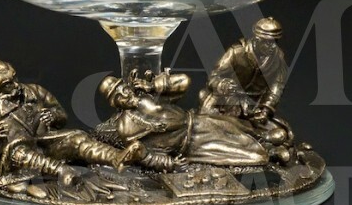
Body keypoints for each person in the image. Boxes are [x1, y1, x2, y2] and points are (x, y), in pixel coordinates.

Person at [0, 60, 135, 186]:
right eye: (8, 84)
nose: (16, 85)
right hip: (19, 159)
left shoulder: (35, 91)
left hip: (46, 144)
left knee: (77, 137)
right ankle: (62, 171)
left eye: (14, 78)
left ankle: (117, 157)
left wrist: (54, 115)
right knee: (19, 152)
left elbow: (61, 115)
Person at [98, 71, 268, 169]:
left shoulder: (147, 94)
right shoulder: (126, 128)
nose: (126, 95)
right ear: (114, 103)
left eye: (124, 89)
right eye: (118, 96)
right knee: (252, 155)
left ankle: (270, 142)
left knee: (245, 130)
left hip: (200, 121)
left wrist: (154, 85)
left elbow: (183, 81)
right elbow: (145, 155)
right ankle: (269, 153)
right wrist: (171, 163)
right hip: (192, 145)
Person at [198, 17, 294, 160]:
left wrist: (266, 109)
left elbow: (276, 88)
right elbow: (214, 77)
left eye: (275, 42)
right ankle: (249, 143)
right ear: (256, 39)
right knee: (208, 124)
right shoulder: (237, 52)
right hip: (228, 102)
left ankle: (248, 141)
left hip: (254, 107)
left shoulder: (278, 58)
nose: (272, 46)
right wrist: (223, 85)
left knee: (281, 134)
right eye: (267, 42)